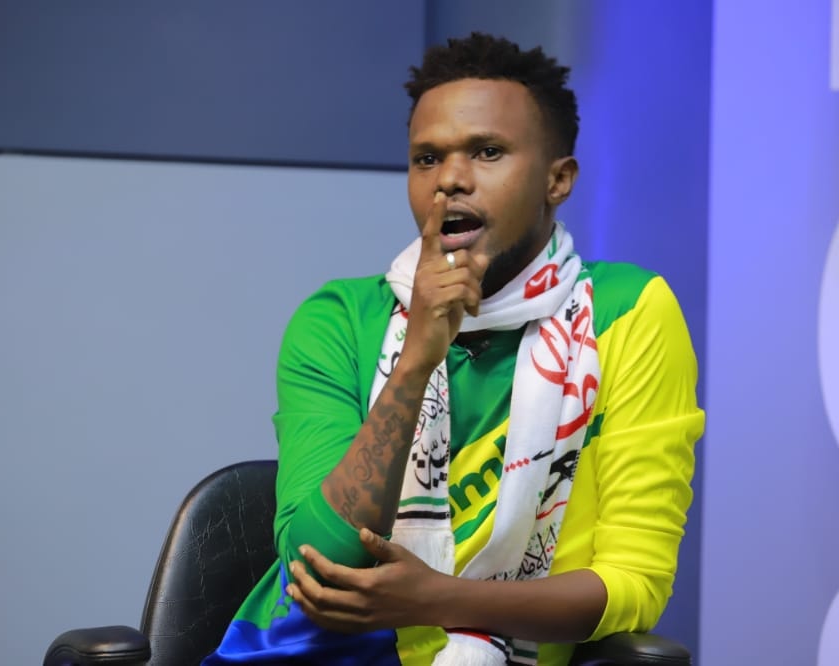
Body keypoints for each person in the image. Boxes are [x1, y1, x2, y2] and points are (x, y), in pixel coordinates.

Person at [203, 32, 704, 666]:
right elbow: (320, 566)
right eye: (427, 159)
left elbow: (634, 586)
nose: (450, 180)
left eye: (488, 151)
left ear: (558, 179)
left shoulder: (627, 312)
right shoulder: (339, 320)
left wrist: (440, 600)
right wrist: (415, 359)